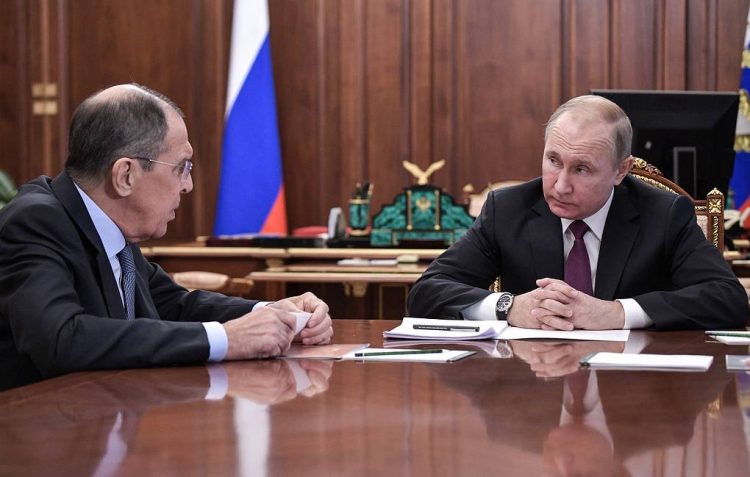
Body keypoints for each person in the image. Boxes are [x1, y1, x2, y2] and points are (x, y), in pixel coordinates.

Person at [0, 83, 333, 382]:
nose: (188, 185)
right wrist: (226, 339)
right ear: (125, 175)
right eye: (181, 168)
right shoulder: (35, 223)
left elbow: (176, 307)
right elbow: (62, 339)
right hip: (41, 436)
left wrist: (272, 314)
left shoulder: (112, 225)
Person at [408, 94, 748, 330]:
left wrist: (618, 313)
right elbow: (426, 292)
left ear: (621, 170)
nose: (560, 185)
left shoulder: (665, 214)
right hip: (530, 398)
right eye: (553, 161)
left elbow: (728, 299)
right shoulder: (508, 209)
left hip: (633, 402)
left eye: (582, 169)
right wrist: (508, 307)